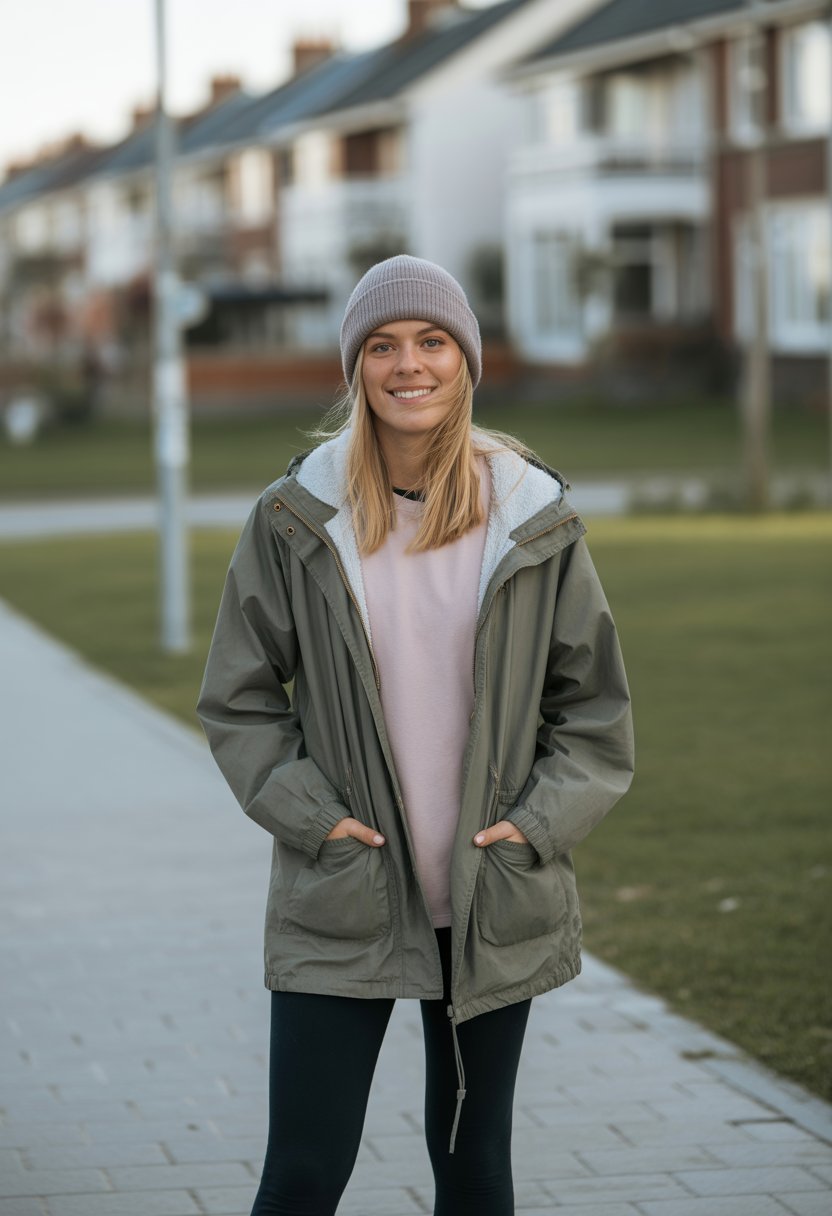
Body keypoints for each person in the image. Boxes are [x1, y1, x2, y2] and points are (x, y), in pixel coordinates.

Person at [197, 255, 634, 1216]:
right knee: (303, 1177)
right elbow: (238, 699)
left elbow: (595, 711)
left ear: (464, 361)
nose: (410, 365)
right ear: (355, 366)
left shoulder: (532, 519)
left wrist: (534, 829)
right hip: (343, 891)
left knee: (474, 1179)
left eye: (432, 341)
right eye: (384, 345)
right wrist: (314, 819)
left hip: (490, 897)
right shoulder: (296, 519)